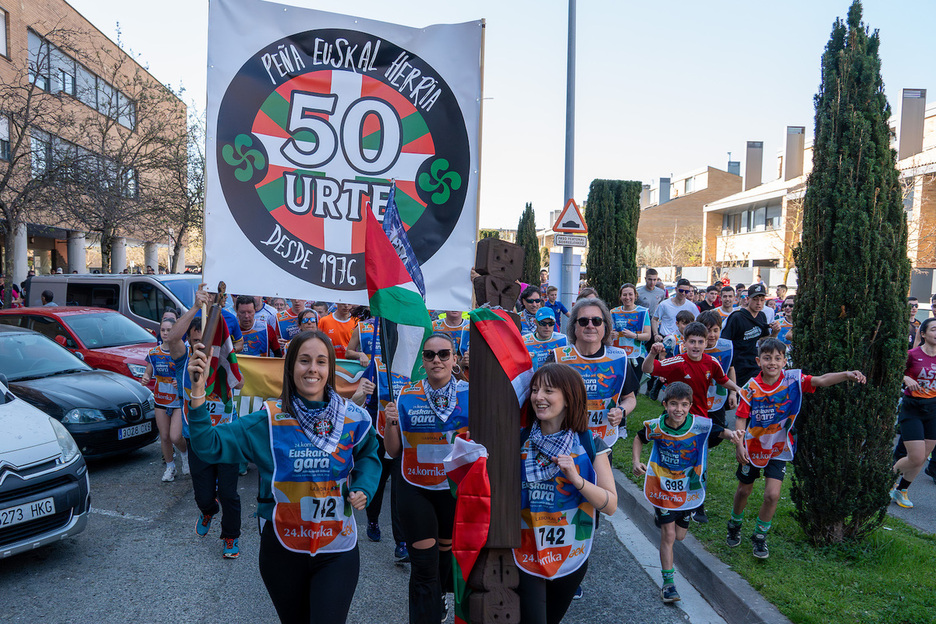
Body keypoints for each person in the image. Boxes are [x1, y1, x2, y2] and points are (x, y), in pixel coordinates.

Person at [185, 330, 381, 623]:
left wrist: (365, 485)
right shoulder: (268, 419)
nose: (312, 368)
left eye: (321, 361)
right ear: (290, 367)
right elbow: (207, 445)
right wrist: (198, 393)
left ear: (330, 369)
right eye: (304, 360)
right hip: (283, 549)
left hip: (337, 547)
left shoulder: (353, 417)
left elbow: (369, 453)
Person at [728, 338, 865, 558]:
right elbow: (741, 419)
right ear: (758, 360)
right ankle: (734, 524)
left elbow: (821, 380)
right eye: (767, 357)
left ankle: (760, 537)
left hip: (779, 448)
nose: (772, 362)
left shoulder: (793, 380)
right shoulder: (751, 388)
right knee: (744, 490)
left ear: (784, 361)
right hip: (752, 448)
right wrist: (739, 445)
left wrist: (847, 374)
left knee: (772, 495)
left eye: (777, 358)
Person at [515, 363, 618, 622]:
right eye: (535, 390)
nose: (538, 397)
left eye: (549, 391)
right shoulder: (517, 440)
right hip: (525, 550)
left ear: (569, 398)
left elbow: (610, 504)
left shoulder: (590, 444)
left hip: (570, 554)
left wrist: (577, 479)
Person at [384, 333, 468, 623]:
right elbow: (393, 451)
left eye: (444, 354)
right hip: (415, 489)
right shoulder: (406, 395)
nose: (437, 360)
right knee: (423, 565)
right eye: (430, 355)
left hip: (453, 490)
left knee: (445, 554)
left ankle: (440, 597)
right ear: (423, 361)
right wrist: (390, 422)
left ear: (454, 358)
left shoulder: (471, 394)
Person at [633, 382, 743, 603]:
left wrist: (734, 435)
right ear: (665, 404)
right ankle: (668, 584)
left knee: (680, 535)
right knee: (669, 535)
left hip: (686, 489)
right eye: (673, 404)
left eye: (684, 405)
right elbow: (638, 438)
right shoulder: (656, 426)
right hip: (661, 487)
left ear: (691, 406)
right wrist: (636, 462)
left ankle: (669, 520)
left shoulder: (700, 425)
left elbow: (721, 431)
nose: (678, 409)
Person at [166, 292, 243, 559]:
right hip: (198, 440)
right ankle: (209, 510)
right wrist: (196, 307)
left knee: (230, 494)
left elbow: (240, 382)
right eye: (197, 341)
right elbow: (171, 338)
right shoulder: (182, 361)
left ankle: (231, 537)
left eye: (208, 342)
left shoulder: (222, 361)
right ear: (190, 341)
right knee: (203, 496)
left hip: (227, 439)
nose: (203, 347)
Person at [345, 316, 408, 561]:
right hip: (379, 431)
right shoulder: (375, 364)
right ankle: (372, 521)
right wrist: (364, 393)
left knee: (400, 488)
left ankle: (401, 542)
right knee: (380, 481)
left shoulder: (411, 365)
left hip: (404, 431)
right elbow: (358, 402)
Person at [547, 298, 637, 450]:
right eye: (583, 321)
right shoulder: (557, 357)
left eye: (596, 321)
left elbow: (630, 398)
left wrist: (621, 411)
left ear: (605, 326)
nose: (590, 326)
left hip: (603, 441)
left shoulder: (619, 358)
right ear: (574, 326)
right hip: (563, 442)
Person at [891, 317, 936, 509]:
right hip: (913, 407)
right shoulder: (912, 354)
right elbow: (893, 371)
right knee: (916, 457)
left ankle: (901, 490)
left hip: (934, 409)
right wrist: (905, 378)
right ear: (923, 334)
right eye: (934, 329)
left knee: (923, 456)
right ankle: (884, 480)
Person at [141, 318, 188, 482]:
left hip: (178, 401)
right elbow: (148, 372)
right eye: (163, 330)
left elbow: (187, 373)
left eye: (170, 330)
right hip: (160, 400)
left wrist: (179, 380)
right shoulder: (153, 353)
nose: (166, 333)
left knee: (176, 436)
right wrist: (146, 378)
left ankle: (185, 453)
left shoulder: (183, 351)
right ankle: (170, 467)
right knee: (165, 436)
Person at [721, 284, 780, 387]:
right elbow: (724, 343)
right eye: (755, 299)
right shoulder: (737, 317)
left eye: (762, 300)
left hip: (754, 364)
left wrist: (775, 333)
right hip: (738, 367)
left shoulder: (761, 316)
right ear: (748, 299)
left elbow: (764, 341)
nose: (759, 303)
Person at [609, 283, 651, 378]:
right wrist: (610, 335)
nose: (627, 297)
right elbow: (607, 333)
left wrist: (634, 336)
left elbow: (648, 336)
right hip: (617, 354)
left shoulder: (643, 312)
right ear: (620, 297)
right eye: (624, 295)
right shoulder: (613, 312)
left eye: (630, 294)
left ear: (635, 296)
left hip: (637, 355)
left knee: (634, 388)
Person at [651, 279, 698, 344]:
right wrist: (656, 334)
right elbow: (654, 319)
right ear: (676, 289)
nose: (683, 293)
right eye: (681, 291)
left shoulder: (692, 306)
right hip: (666, 339)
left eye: (686, 291)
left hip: (684, 341)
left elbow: (697, 323)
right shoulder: (664, 304)